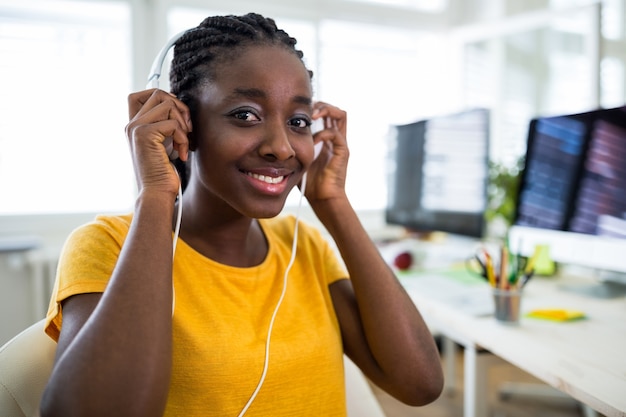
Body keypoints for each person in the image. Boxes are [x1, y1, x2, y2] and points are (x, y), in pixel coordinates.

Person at [40, 13, 443, 417]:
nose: (282, 148)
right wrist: (156, 194)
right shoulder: (108, 243)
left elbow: (420, 383)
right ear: (183, 122)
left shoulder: (304, 246)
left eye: (298, 121)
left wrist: (333, 201)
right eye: (246, 114)